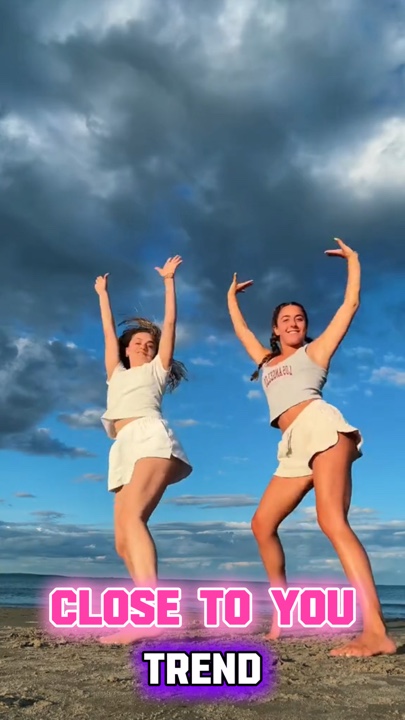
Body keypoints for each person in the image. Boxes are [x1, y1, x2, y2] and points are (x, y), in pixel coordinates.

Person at [227, 238, 396, 658]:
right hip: (291, 446)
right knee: (261, 524)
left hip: (321, 429)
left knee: (332, 521)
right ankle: (283, 614)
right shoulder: (265, 362)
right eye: (285, 319)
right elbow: (242, 331)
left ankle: (376, 631)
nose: (293, 322)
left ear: (305, 327)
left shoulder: (315, 352)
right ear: (275, 329)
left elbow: (350, 305)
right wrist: (230, 298)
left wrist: (354, 261)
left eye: (299, 318)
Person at [94, 255, 192, 644]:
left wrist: (168, 282)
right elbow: (107, 332)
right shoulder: (115, 373)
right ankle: (145, 616)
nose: (146, 347)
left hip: (151, 439)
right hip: (123, 449)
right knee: (122, 540)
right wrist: (103, 294)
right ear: (127, 348)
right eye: (139, 342)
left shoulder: (156, 371)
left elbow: (170, 324)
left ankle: (151, 615)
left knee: (133, 519)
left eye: (151, 345)